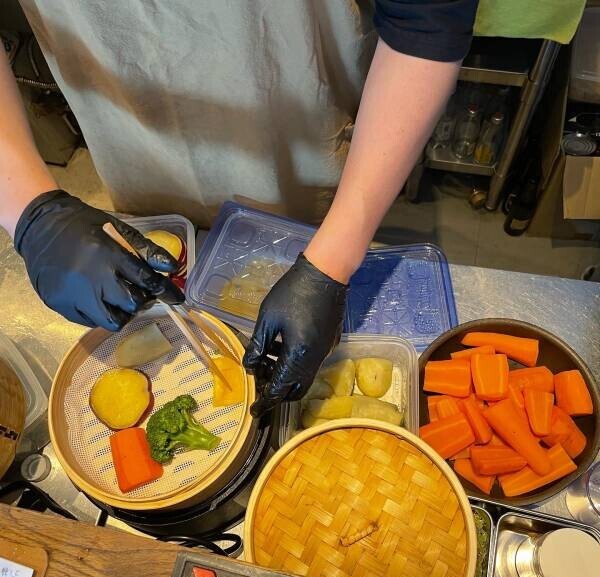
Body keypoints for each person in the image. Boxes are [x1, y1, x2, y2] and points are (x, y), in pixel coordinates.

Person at [1, 1, 478, 416]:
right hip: (128, 136)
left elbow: (426, 21)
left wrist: (332, 261)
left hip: (301, 121)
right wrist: (29, 207)